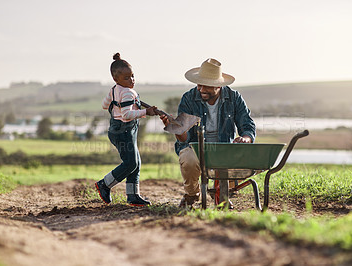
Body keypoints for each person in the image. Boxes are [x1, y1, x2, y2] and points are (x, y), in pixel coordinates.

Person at [160, 58, 256, 207]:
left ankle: (221, 192)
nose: (201, 89)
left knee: (244, 158)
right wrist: (176, 129)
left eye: (207, 86)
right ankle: (192, 194)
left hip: (224, 148)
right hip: (197, 148)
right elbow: (184, 139)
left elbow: (247, 126)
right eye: (199, 84)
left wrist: (245, 138)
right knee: (188, 157)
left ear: (218, 85)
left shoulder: (234, 98)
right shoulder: (189, 99)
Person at [95, 53, 158, 206]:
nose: (131, 80)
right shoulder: (128, 92)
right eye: (126, 78)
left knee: (136, 162)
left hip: (120, 130)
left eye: (132, 76)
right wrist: (146, 112)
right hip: (124, 131)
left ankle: (133, 195)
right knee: (130, 163)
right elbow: (127, 115)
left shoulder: (115, 89)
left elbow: (105, 105)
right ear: (116, 79)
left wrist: (116, 102)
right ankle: (104, 184)